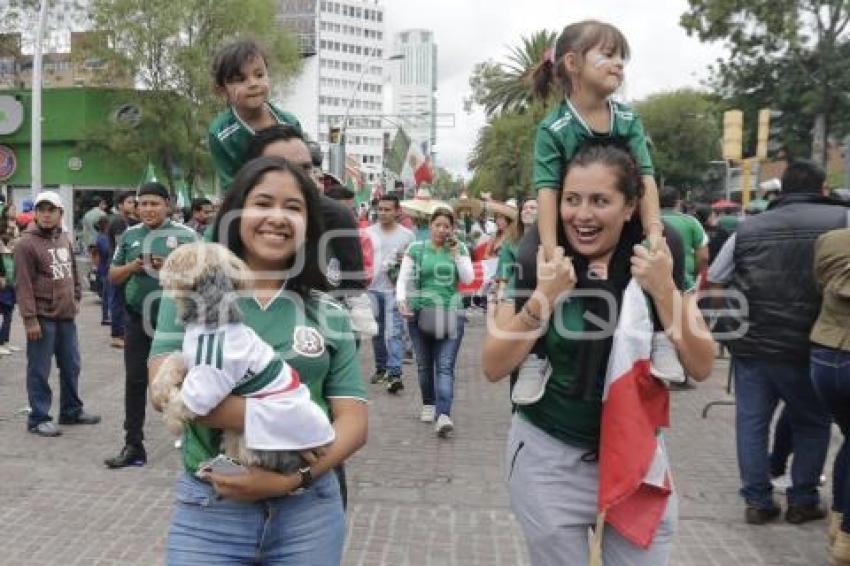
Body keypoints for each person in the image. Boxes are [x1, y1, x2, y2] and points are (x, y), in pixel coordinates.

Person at [482, 144, 714, 565]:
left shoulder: (657, 255)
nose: (582, 215)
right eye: (572, 200)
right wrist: (542, 299)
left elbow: (701, 363)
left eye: (600, 201)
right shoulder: (538, 255)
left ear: (630, 208)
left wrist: (664, 291)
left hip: (636, 455)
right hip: (550, 461)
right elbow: (494, 364)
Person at [149, 156, 367, 563]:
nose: (277, 217)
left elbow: (354, 421)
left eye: (293, 208)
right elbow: (165, 392)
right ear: (236, 213)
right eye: (263, 203)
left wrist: (292, 480)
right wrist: (291, 419)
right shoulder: (191, 296)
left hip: (309, 513)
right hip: (210, 511)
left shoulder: (328, 310)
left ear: (309, 225)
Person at [707, 159, 849, 525]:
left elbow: (717, 281)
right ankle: (803, 499)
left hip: (752, 346)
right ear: (822, 189)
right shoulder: (841, 223)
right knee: (812, 423)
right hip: (812, 346)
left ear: (781, 191)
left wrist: (731, 326)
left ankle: (757, 500)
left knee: (751, 422)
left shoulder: (748, 227)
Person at [529, 20, 662, 265]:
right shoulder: (553, 128)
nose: (619, 64)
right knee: (528, 255)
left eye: (622, 58)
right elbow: (547, 191)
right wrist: (550, 250)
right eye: (609, 55)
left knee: (671, 241)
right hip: (570, 230)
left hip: (621, 225)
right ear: (572, 63)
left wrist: (654, 230)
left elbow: (646, 176)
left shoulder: (628, 119)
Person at [245, 124, 377, 339]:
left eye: (306, 168)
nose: (299, 178)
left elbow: (352, 286)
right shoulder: (227, 228)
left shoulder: (337, 216)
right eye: (282, 167)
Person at [104, 182, 197, 468]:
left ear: (168, 205)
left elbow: (202, 277)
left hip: (178, 323)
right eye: (142, 203)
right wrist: (133, 267)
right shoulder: (130, 236)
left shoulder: (187, 235)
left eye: (154, 203)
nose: (147, 209)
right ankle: (133, 445)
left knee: (187, 381)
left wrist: (170, 266)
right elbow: (112, 277)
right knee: (135, 381)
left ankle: (194, 441)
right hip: (137, 319)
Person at [14, 191, 101, 437]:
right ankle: (39, 418)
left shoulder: (64, 237)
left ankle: (71, 410)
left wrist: (75, 299)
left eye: (51, 210)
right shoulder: (25, 244)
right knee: (39, 370)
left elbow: (72, 271)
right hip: (41, 318)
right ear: (35, 214)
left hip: (66, 317)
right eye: (41, 210)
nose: (46, 214)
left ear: (60, 213)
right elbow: (23, 285)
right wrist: (29, 320)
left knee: (72, 365)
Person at [396, 208, 474, 436]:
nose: (442, 230)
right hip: (420, 312)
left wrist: (457, 254)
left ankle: (444, 415)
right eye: (438, 225)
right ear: (430, 225)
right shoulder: (416, 249)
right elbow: (403, 278)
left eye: (446, 226)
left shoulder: (459, 249)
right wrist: (401, 301)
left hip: (452, 313)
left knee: (445, 366)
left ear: (452, 229)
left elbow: (468, 278)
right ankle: (429, 403)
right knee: (423, 364)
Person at [208, 39, 302, 190]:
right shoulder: (220, 134)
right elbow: (231, 187)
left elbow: (302, 171)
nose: (253, 83)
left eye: (259, 75)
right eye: (240, 79)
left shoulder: (290, 122)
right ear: (222, 90)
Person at [809, 228, 850, 565]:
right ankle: (846, 538)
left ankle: (838, 521)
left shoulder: (831, 240)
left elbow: (820, 284)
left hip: (824, 355)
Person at [366, 194, 414, 391]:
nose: (383, 213)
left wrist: (405, 259)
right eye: (380, 209)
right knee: (377, 332)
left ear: (397, 211)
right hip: (372, 288)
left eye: (387, 209)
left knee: (394, 332)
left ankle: (394, 373)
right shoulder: (367, 233)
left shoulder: (407, 235)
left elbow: (412, 263)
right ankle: (380, 368)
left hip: (394, 289)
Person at [659, 185, 708, 291]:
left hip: (653, 282)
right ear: (678, 202)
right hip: (685, 284)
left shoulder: (647, 222)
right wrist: (693, 276)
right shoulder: (692, 222)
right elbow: (703, 257)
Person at [106, 191, 138, 348]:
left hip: (124, 266)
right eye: (130, 202)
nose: (134, 205)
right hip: (119, 266)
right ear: (120, 205)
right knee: (117, 300)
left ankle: (122, 332)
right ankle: (117, 334)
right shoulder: (119, 221)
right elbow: (121, 245)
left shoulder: (128, 221)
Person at [0, 202, 21, 356]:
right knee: (4, 310)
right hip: (4, 272)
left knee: (9, 310)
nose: (15, 211)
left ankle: (6, 341)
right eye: (12, 209)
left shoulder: (16, 225)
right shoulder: (3, 228)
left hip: (12, 271)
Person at [92, 216, 112, 325]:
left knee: (107, 294)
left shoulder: (101, 237)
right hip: (105, 269)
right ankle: (106, 317)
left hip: (104, 268)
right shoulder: (103, 238)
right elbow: (106, 252)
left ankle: (106, 316)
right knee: (107, 294)